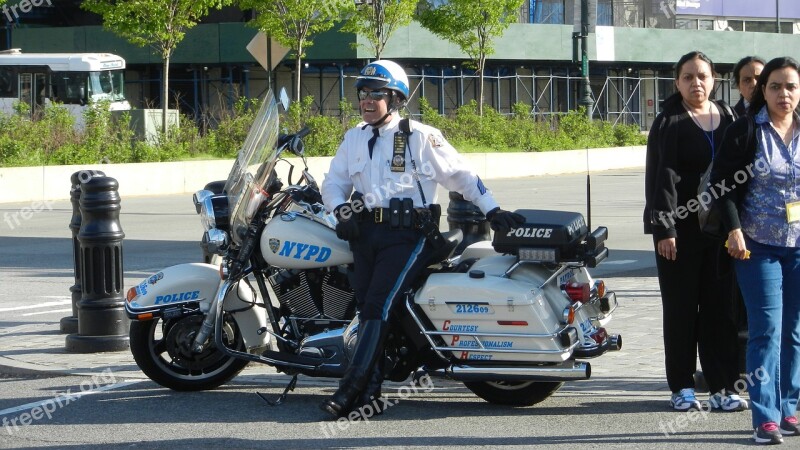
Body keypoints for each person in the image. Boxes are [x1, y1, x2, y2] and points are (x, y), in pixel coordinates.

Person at [319, 59, 524, 419]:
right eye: (363, 93)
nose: (367, 101)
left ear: (395, 98)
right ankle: (369, 393)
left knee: (377, 305)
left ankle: (349, 387)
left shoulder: (419, 136)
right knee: (367, 305)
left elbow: (461, 175)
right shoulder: (353, 137)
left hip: (409, 234)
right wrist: (340, 211)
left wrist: (492, 210)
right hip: (366, 233)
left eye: (376, 94)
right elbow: (334, 183)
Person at [643, 51, 745, 413]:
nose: (695, 83)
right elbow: (660, 177)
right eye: (688, 77)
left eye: (702, 76)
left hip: (721, 231)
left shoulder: (730, 116)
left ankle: (723, 387)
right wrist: (664, 228)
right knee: (682, 309)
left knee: (721, 310)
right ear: (677, 83)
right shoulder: (668, 121)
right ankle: (682, 386)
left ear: (714, 79)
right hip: (679, 232)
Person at [711, 56, 800, 445]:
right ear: (762, 90)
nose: (784, 94)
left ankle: (790, 408)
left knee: (795, 331)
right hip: (756, 246)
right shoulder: (746, 131)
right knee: (767, 330)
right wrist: (733, 229)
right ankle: (765, 416)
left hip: (798, 245)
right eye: (776, 86)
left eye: (792, 86)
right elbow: (722, 185)